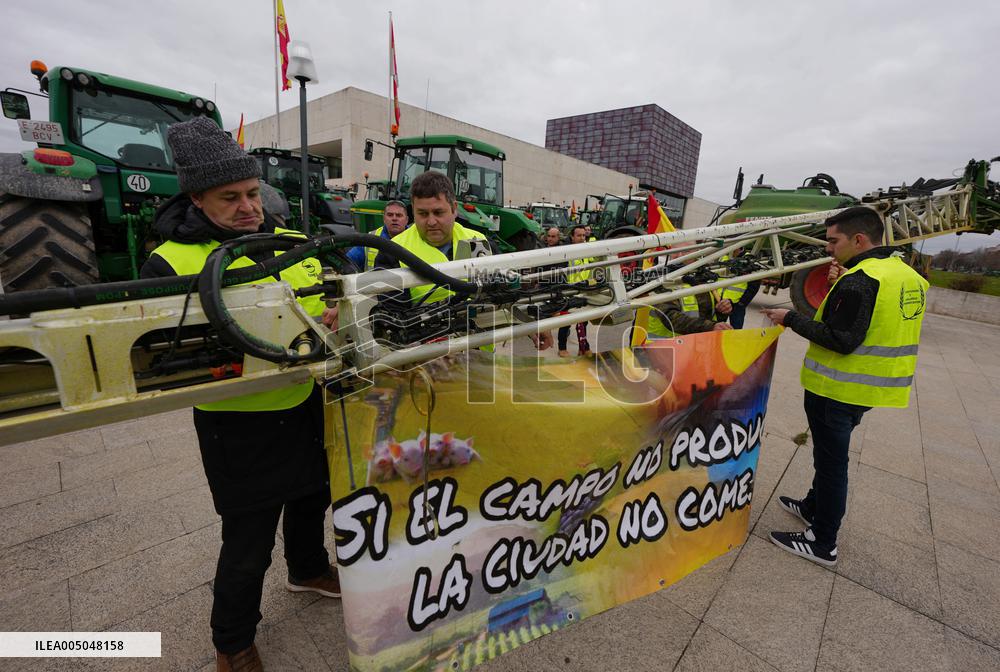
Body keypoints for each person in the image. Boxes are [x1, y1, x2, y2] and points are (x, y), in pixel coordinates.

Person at [140, 117, 339, 672]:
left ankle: (307, 569)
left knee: (310, 498)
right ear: (197, 197)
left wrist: (330, 309)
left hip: (303, 400)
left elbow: (330, 290)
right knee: (248, 539)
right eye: (231, 197)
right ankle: (232, 643)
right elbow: (157, 351)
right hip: (238, 421)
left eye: (252, 193)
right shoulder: (171, 263)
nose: (249, 206)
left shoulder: (286, 240)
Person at [762, 206, 928, 567]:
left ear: (859, 239)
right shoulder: (905, 275)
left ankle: (823, 541)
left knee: (832, 463)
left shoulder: (861, 279)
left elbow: (841, 338)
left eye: (833, 241)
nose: (828, 249)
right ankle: (812, 507)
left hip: (838, 389)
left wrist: (789, 318)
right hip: (868, 389)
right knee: (827, 456)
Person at [557, 225, 594, 357]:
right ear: (572, 237)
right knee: (566, 322)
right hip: (569, 291)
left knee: (583, 321)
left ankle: (583, 347)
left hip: (583, 290)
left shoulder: (587, 250)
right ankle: (562, 348)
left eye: (584, 235)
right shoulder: (566, 252)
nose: (582, 238)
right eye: (579, 235)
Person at [345, 200, 409, 270]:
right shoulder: (371, 239)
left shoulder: (416, 238)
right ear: (384, 219)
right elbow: (347, 263)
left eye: (399, 215)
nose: (394, 218)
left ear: (406, 220)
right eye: (390, 215)